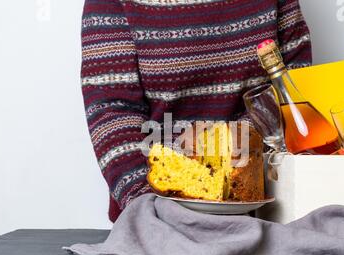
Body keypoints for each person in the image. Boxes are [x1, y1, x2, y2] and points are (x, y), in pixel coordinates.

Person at [81, 0, 312, 222]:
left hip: (263, 212)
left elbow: (293, 84)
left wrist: (237, 143)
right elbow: (111, 113)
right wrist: (150, 206)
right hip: (156, 213)